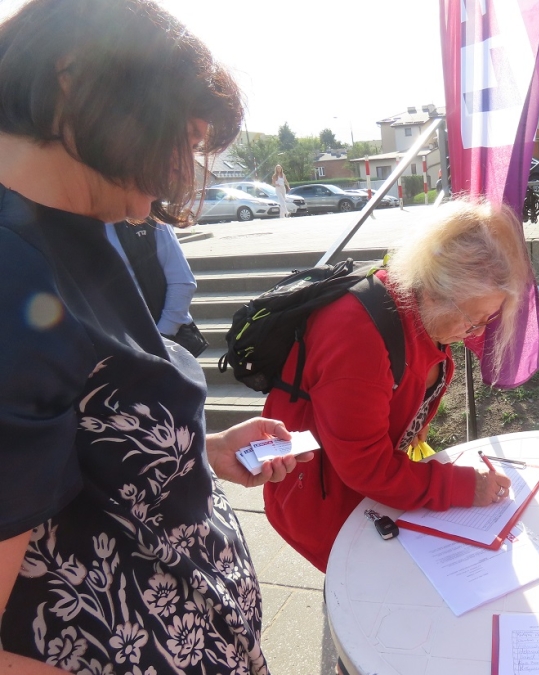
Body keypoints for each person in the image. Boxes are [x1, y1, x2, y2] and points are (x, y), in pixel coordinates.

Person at [0, 1, 312, 673]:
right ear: (76, 78)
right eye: (183, 139)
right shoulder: (11, 273)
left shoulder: (71, 223)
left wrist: (193, 453)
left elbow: (84, 434)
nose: (180, 179)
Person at [263, 199, 533, 573]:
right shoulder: (357, 337)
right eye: (472, 320)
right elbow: (366, 467)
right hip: (324, 504)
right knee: (360, 597)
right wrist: (463, 486)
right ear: (435, 290)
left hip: (365, 497)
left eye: (485, 320)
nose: (474, 333)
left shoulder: (420, 307)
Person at [106, 220, 208, 356]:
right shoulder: (79, 226)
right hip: (106, 345)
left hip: (156, 339)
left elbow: (182, 282)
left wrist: (161, 337)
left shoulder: (149, 219)